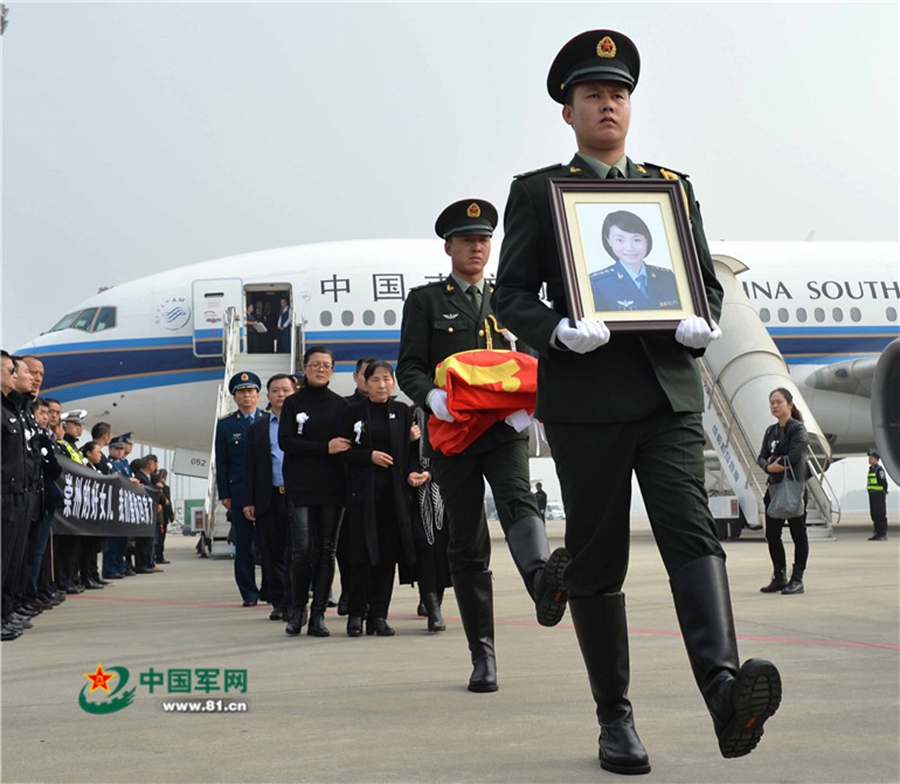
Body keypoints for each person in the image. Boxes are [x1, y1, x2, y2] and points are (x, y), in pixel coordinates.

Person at [492, 29, 781, 773]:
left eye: (618, 95)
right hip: (586, 401)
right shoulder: (537, 192)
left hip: (667, 394)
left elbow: (705, 285)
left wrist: (700, 320)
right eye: (593, 95)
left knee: (693, 532)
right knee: (596, 560)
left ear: (630, 106)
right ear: (570, 112)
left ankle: (723, 692)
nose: (608, 105)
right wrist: (555, 330)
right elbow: (512, 293)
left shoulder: (671, 189)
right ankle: (614, 719)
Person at [397, 198, 570, 694]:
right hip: (452, 435)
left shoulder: (510, 300)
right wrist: (431, 397)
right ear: (449, 246)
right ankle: (483, 654)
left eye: (484, 240)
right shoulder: (426, 301)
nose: (477, 247)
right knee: (467, 541)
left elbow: (534, 361)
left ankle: (541, 581)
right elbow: (409, 365)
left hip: (503, 430)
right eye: (468, 240)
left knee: (518, 498)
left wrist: (530, 405)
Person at [340, 360, 418, 637]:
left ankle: (379, 616)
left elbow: (411, 457)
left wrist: (414, 472)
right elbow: (342, 451)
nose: (382, 385)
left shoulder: (402, 412)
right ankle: (356, 613)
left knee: (387, 557)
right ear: (364, 383)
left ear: (393, 382)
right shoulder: (352, 412)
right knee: (361, 556)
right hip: (363, 495)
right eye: (375, 380)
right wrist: (367, 456)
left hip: (394, 496)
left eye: (387, 379)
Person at [278, 346, 350, 637]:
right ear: (304, 368)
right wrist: (325, 448)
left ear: (333, 370)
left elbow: (347, 445)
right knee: (302, 550)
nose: (321, 369)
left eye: (326, 365)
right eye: (315, 364)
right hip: (301, 486)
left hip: (333, 487)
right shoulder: (293, 403)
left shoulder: (341, 405)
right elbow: (285, 442)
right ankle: (297, 609)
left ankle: (319, 613)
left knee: (326, 551)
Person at [243, 374, 296, 621]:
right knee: (271, 552)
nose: (281, 394)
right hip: (270, 497)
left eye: (286, 390)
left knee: (296, 552)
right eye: (275, 390)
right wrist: (249, 500)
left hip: (298, 496)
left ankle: (294, 600)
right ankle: (278, 601)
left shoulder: (302, 423)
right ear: (268, 396)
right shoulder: (258, 428)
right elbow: (250, 467)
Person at [215, 371, 266, 605]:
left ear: (258, 395)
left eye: (250, 391)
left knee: (270, 543)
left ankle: (270, 589)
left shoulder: (268, 420)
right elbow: (222, 462)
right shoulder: (226, 425)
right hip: (239, 491)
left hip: (267, 490)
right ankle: (249, 593)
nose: (246, 395)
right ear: (234, 397)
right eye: (241, 392)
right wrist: (224, 493)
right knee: (243, 545)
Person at [757, 388, 809, 595]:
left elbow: (795, 455)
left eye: (778, 402)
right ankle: (779, 576)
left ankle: (797, 579)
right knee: (772, 534)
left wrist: (773, 459)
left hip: (794, 487)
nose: (774, 406)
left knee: (798, 534)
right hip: (774, 486)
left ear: (789, 405)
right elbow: (760, 456)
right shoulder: (770, 431)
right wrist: (768, 466)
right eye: (772, 403)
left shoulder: (798, 429)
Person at [590, 211, 680, 311]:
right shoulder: (597, 283)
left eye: (636, 240)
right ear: (608, 241)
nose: (629, 248)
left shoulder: (667, 277)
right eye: (620, 240)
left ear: (647, 240)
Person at [865, 448, 888, 541]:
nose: (869, 460)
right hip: (872, 495)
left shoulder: (879, 470)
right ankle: (877, 533)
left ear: (876, 459)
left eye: (871, 458)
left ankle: (882, 533)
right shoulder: (871, 469)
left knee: (880, 514)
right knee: (874, 514)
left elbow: (883, 482)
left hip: (878, 495)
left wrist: (884, 490)